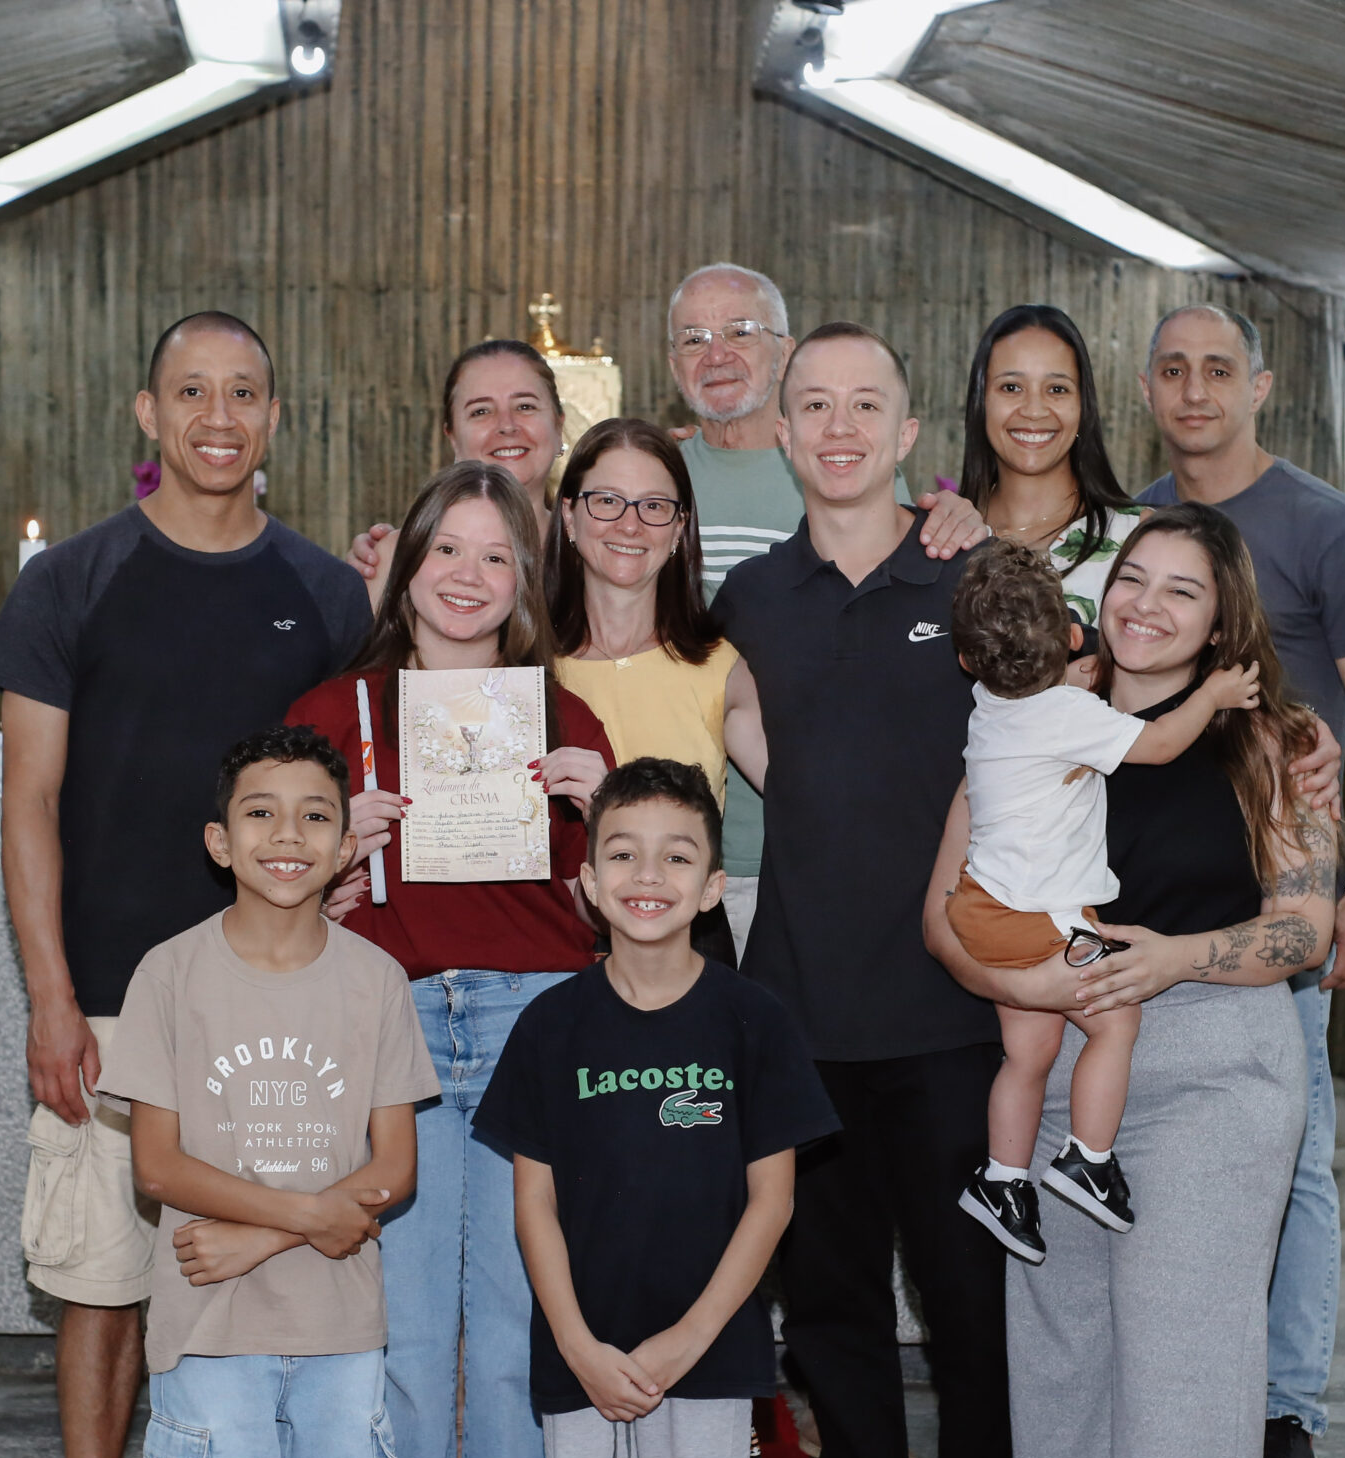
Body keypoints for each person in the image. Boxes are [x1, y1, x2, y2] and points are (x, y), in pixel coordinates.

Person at [0, 310, 370, 1458]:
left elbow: (346, 790)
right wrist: (49, 993)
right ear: (148, 413)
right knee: (103, 1276)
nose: (219, 415)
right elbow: (28, 801)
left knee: (266, 1272)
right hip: (109, 994)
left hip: (279, 1001)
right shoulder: (71, 583)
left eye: (244, 392)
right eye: (191, 391)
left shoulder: (325, 593)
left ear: (274, 415)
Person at [925, 503, 1338, 1458]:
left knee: (1185, 1347)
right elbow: (945, 911)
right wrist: (1024, 985)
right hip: (1062, 1061)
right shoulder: (1031, 704)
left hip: (1214, 1061)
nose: (1145, 605)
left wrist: (1173, 959)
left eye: (1181, 590)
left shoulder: (1271, 739)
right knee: (1061, 1347)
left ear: (1222, 621)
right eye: (1132, 579)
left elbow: (1304, 930)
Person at [713, 321, 1031, 1458]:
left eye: (865, 406)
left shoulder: (971, 573)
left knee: (969, 1305)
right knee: (831, 1309)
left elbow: (1069, 722)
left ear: (907, 434)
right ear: (782, 432)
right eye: (814, 405)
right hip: (800, 1011)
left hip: (954, 1011)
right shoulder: (748, 598)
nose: (837, 427)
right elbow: (699, 705)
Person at [287, 461, 616, 1458]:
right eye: (447, 552)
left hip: (534, 1019)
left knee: (521, 1331)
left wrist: (602, 818)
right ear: (403, 568)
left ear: (525, 578)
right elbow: (270, 901)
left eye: (495, 555)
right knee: (407, 1338)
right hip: (395, 1024)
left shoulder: (565, 719)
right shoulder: (335, 712)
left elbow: (625, 911)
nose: (468, 577)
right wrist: (334, 859)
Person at [1135, 302, 1345, 1458]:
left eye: (1217, 370)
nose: (1194, 390)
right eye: (1172, 370)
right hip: (1150, 892)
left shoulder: (1328, 529)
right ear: (1148, 387)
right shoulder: (1139, 527)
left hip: (1281, 899)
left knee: (1291, 1155)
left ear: (1258, 386)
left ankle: (1284, 1406)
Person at [482, 757, 835, 1458]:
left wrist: (689, 1338)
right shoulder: (550, 1026)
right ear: (588, 882)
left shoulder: (753, 1019)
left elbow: (772, 1201)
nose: (649, 876)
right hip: (584, 1358)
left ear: (713, 886)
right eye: (624, 854)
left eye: (677, 857)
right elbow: (533, 1203)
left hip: (710, 1355)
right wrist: (576, 1344)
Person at [104, 726, 437, 1458]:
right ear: (220, 840)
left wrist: (267, 1233)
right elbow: (158, 1165)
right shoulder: (170, 974)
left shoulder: (375, 980)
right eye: (261, 813)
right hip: (209, 1332)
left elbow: (395, 1169)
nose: (287, 835)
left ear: (345, 846)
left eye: (315, 816)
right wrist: (308, 1213)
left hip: (340, 1329)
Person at [946, 541, 1262, 1263]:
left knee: (1029, 1052)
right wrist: (1213, 695)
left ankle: (1002, 1179)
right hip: (1039, 916)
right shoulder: (1065, 714)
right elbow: (1160, 743)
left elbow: (1051, 669)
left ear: (968, 659)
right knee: (1116, 1023)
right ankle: (1088, 1158)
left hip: (984, 908)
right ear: (1069, 637)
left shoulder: (989, 701)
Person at [665, 263, 988, 951]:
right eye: (694, 338)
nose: (716, 353)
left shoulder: (938, 543)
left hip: (925, 881)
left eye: (739, 331)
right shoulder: (659, 491)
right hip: (737, 870)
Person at [545, 417, 742, 962]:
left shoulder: (721, 666)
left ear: (679, 528)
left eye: (653, 506)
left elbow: (806, 795)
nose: (630, 525)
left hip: (687, 953)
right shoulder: (521, 669)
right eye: (607, 501)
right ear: (569, 515)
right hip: (548, 958)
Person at [957, 303, 1143, 630]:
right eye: (1011, 387)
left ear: (1082, 405)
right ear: (980, 401)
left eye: (1057, 389)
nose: (1034, 410)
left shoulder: (1139, 539)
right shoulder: (942, 535)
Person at [348, 338, 573, 602]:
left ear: (558, 426)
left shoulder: (593, 552)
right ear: (452, 436)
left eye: (525, 406)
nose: (507, 426)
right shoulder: (397, 558)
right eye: (481, 411)